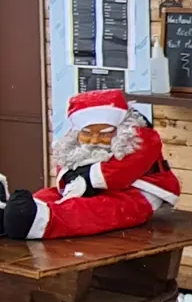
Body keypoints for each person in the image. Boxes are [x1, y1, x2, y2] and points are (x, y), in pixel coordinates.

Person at [0, 89, 180, 240]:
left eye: (105, 134)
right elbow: (66, 164)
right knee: (47, 194)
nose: (94, 140)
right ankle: (7, 214)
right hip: (91, 189)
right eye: (87, 133)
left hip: (136, 192)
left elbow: (120, 173)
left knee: (97, 211)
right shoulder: (74, 140)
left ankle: (38, 221)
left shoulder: (139, 138)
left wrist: (86, 178)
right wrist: (71, 179)